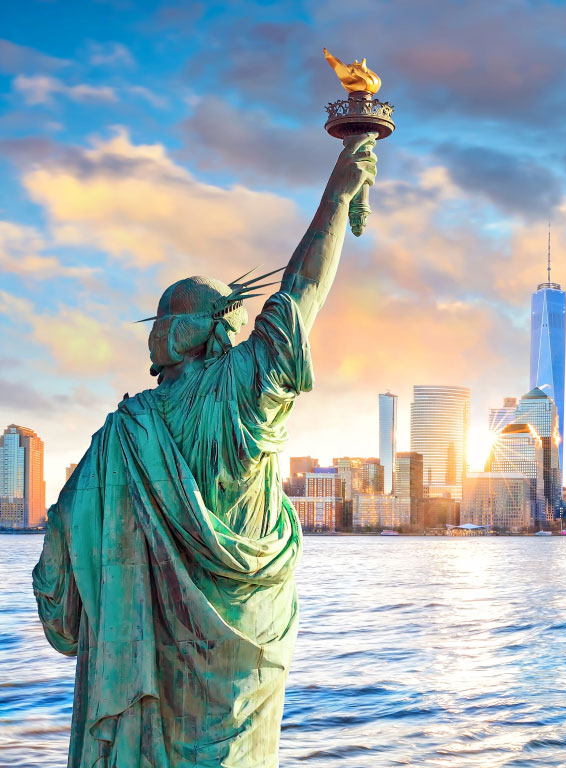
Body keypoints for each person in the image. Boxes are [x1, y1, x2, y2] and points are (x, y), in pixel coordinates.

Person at [32, 132, 378, 768]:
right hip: (244, 669)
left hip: (152, 681)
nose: (154, 332)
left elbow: (57, 569)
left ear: (183, 330)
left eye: (162, 318)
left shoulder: (124, 434)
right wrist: (337, 195)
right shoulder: (244, 393)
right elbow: (299, 299)